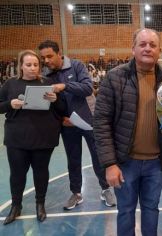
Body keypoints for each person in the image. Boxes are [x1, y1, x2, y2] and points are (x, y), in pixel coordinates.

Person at [93, 28, 162, 236]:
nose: (148, 48)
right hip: (125, 162)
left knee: (151, 210)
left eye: (153, 45)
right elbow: (101, 122)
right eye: (143, 44)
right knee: (126, 211)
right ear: (133, 49)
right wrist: (110, 164)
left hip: (156, 162)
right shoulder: (114, 78)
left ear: (159, 51)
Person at [38, 40, 116, 210]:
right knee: (73, 159)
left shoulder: (76, 66)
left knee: (98, 156)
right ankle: (76, 193)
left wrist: (64, 86)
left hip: (89, 121)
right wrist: (61, 119)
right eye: (43, 58)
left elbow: (87, 88)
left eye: (50, 56)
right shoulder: (46, 75)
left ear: (59, 54)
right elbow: (49, 104)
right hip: (67, 124)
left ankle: (106, 189)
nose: (46, 61)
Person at [0, 50, 65, 224]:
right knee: (17, 174)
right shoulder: (10, 85)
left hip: (43, 137)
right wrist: (9, 104)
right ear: (21, 66)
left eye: (36, 65)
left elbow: (61, 110)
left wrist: (55, 100)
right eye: (28, 65)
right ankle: (16, 206)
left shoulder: (48, 83)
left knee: (41, 173)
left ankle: (40, 204)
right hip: (17, 138)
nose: (32, 68)